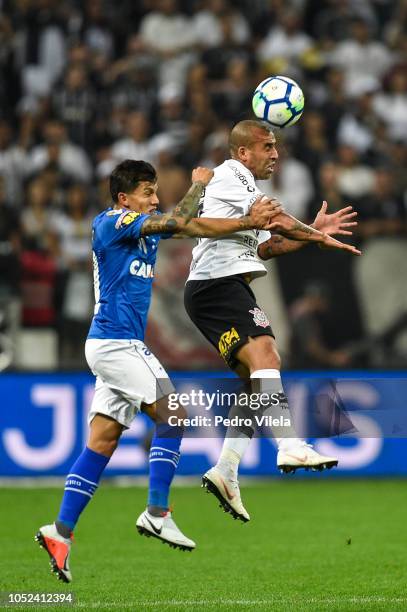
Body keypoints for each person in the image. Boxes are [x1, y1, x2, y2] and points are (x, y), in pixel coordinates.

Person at [34, 158, 281, 583]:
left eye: (154, 192)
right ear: (123, 198)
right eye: (147, 193)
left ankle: (59, 532)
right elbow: (184, 216)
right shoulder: (111, 222)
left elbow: (197, 227)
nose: (154, 198)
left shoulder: (145, 231)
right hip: (115, 344)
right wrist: (199, 184)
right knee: (175, 415)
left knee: (103, 440)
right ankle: (156, 512)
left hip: (119, 347)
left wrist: (249, 222)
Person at [184, 119, 360, 522]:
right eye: (267, 146)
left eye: (275, 146)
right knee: (268, 355)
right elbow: (279, 221)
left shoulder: (250, 193)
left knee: (253, 382)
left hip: (223, 287)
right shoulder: (232, 176)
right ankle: (289, 444)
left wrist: (311, 230)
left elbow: (269, 246)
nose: (275, 154)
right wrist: (316, 236)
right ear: (243, 152)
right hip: (217, 285)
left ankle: (226, 469)